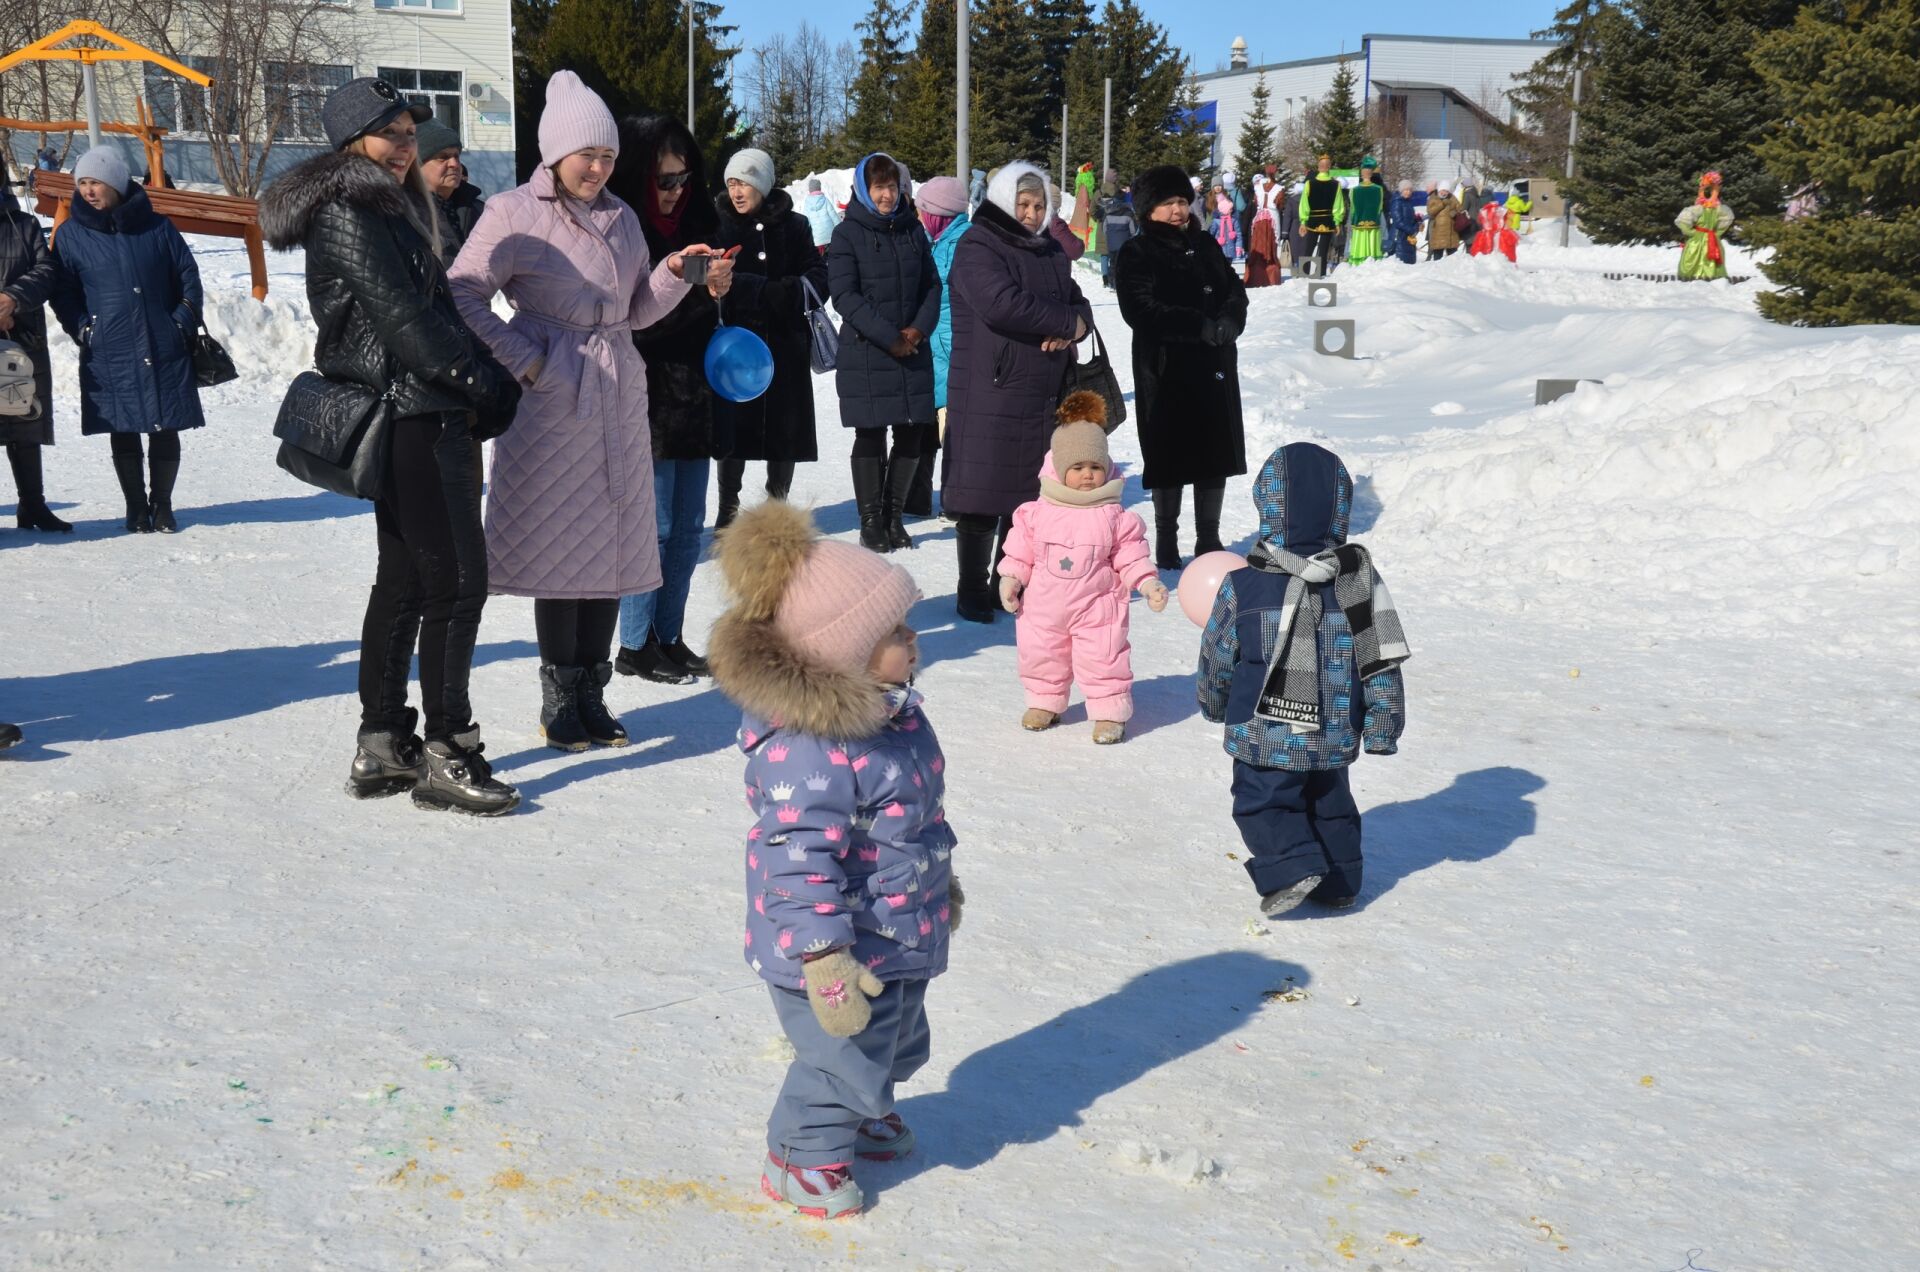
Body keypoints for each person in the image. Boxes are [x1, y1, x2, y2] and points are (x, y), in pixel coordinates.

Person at [260, 76, 522, 814]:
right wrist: (485, 382)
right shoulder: (348, 208)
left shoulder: (390, 205)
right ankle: (447, 751)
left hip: (424, 408)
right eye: (393, 135)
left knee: (407, 583)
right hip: (413, 412)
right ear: (353, 144)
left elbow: (429, 310)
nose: (407, 147)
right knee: (457, 585)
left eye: (411, 133)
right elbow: (404, 318)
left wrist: (480, 378)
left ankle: (383, 745)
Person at [707, 499, 959, 1222]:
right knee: (839, 1057)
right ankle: (802, 1156)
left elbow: (914, 818)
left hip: (896, 922)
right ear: (839, 650)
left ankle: (865, 1106)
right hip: (831, 947)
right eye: (895, 631)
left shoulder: (895, 714)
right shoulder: (808, 752)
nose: (914, 640)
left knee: (902, 1037)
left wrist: (940, 884)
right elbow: (795, 862)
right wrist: (822, 956)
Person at [451, 73, 719, 750]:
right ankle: (559, 702)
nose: (598, 167)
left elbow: (633, 311)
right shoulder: (514, 212)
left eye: (606, 156)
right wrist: (527, 359)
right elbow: (462, 293)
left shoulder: (622, 218)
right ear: (554, 154)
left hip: (618, 393)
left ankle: (593, 696)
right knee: (558, 553)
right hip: (552, 399)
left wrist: (673, 275)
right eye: (586, 155)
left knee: (609, 550)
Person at [1197, 442, 1408, 915]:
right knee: (1330, 802)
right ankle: (1340, 882)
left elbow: (1218, 655)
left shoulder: (1243, 583)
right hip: (1333, 731)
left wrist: (1213, 702)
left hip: (1263, 732)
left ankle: (1292, 867)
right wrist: (1381, 725)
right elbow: (1383, 661)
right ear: (1341, 508)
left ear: (1266, 505)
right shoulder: (1359, 581)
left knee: (1262, 801)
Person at [606, 112, 733, 684]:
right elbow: (633, 323)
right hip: (642, 395)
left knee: (688, 527)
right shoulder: (621, 227)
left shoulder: (700, 222)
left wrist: (720, 289)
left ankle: (668, 635)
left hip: (695, 395)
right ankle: (633, 643)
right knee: (649, 527)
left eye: (684, 178)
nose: (676, 190)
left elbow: (708, 317)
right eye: (665, 179)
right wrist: (687, 289)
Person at [940, 162, 1091, 624]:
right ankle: (971, 588)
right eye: (1023, 204)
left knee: (1024, 499)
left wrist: (1077, 324)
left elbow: (1075, 297)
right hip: (992, 388)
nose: (1030, 213)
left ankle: (1003, 583)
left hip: (1042, 389)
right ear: (1005, 201)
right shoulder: (978, 243)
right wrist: (1064, 323)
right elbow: (1001, 303)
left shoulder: (1048, 249)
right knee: (982, 495)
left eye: (1039, 205)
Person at [49, 145, 204, 535]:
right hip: (109, 346)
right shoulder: (70, 235)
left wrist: (181, 321)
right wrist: (83, 329)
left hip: (161, 340)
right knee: (123, 426)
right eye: (82, 182)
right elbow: (63, 292)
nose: (87, 190)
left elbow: (188, 276)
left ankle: (163, 506)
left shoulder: (158, 227)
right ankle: (136, 507)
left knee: (165, 424)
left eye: (95, 183)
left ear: (116, 185)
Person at [997, 394, 1168, 744]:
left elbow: (1130, 555)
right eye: (1077, 468)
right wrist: (1011, 579)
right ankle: (1045, 701)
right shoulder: (1037, 512)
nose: (1088, 475)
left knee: (1103, 655)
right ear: (1060, 470)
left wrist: (1147, 583)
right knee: (1042, 654)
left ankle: (1108, 710)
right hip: (1044, 606)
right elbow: (1021, 551)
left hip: (1097, 606)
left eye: (1095, 466)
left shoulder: (1115, 516)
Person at [1114, 164, 1248, 571]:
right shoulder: (1136, 252)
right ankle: (1167, 539)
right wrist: (1196, 325)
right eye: (1167, 203)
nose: (1177, 210)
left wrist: (1229, 320)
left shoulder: (1205, 243)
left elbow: (1234, 291)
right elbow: (1139, 308)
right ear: (1148, 208)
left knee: (1213, 453)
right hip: (1167, 368)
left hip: (1213, 364)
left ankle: (1209, 536)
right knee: (1169, 455)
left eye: (1182, 202)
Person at [828, 151, 938, 554]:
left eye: (892, 187)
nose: (887, 195)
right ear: (863, 189)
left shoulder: (913, 230)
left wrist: (917, 329)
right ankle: (871, 521)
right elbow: (844, 295)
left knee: (912, 433)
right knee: (871, 435)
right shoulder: (848, 234)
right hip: (869, 351)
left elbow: (932, 285)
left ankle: (894, 516)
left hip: (912, 348)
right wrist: (889, 336)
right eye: (879, 188)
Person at [710, 148, 826, 529]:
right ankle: (727, 511)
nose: (737, 191)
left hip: (784, 346)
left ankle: (777, 507)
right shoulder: (718, 225)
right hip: (735, 347)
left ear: (761, 183)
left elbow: (817, 278)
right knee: (733, 431)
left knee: (784, 430)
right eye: (731, 183)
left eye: (743, 182)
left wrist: (777, 292)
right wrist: (755, 289)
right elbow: (709, 280)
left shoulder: (794, 226)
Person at [0, 183, 67, 532]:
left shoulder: (23, 225)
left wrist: (13, 299)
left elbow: (47, 272)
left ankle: (33, 505)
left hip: (21, 338)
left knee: (23, 421)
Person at [916, 175, 972, 520]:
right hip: (928, 344)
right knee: (925, 426)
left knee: (955, 429)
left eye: (925, 210)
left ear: (940, 213)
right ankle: (916, 498)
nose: (920, 216)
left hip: (955, 347)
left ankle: (958, 500)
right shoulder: (927, 239)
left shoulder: (968, 242)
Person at [415, 119, 485, 260]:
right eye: (443, 158)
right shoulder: (405, 213)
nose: (455, 164)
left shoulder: (478, 210)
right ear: (418, 165)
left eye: (456, 156)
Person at [1677, 171, 1734, 282]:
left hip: (1711, 239)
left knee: (1710, 259)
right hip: (1700, 239)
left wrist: (1716, 234)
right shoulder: (1697, 209)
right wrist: (1692, 233)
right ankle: (1692, 279)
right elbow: (1683, 222)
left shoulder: (1719, 210)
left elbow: (1724, 224)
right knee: (1695, 258)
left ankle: (1712, 279)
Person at [1300, 154, 1345, 278]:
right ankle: (1320, 275)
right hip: (1328, 221)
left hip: (1313, 220)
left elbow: (1304, 204)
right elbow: (1338, 206)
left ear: (1318, 167)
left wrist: (1303, 221)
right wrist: (1337, 222)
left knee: (1308, 248)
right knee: (1323, 251)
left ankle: (1304, 274)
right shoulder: (1336, 184)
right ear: (1329, 167)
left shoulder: (1309, 183)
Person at [1245, 172, 1281, 288]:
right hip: (1267, 221)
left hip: (1263, 221)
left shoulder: (1272, 190)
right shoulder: (1263, 190)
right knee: (1264, 248)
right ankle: (1265, 273)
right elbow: (1279, 204)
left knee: (1264, 247)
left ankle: (1263, 272)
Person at [1096, 178, 1133, 291]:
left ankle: (1111, 283)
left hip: (1111, 242)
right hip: (1123, 243)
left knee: (1110, 262)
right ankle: (1122, 283)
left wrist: (1110, 235)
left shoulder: (1107, 212)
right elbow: (1132, 230)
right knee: (1122, 263)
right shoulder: (1128, 214)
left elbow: (1104, 228)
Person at [1346, 158, 1386, 263]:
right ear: (1371, 174)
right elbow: (1379, 208)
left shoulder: (1354, 190)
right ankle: (1372, 258)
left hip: (1359, 222)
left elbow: (1353, 208)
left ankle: (1358, 258)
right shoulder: (1379, 189)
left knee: (1359, 242)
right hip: (1373, 222)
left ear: (1362, 175)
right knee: (1373, 242)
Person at [800, 176, 840, 255]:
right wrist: (840, 227)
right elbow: (833, 215)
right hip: (830, 236)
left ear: (810, 190)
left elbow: (805, 220)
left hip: (817, 239)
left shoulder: (807, 203)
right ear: (819, 188)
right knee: (832, 256)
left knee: (820, 258)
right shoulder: (825, 200)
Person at [1425, 185, 1464, 261]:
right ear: (1439, 190)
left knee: (1452, 259)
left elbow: (1460, 209)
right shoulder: (1433, 198)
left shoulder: (1452, 198)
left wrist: (1454, 212)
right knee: (1437, 259)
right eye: (1442, 190)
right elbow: (1430, 212)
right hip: (1438, 233)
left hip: (1451, 233)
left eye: (1446, 191)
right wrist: (1442, 204)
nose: (1444, 193)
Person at [1389, 179, 1421, 264]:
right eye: (1406, 190)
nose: (1408, 192)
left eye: (1410, 190)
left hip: (1408, 237)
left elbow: (1411, 218)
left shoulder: (1409, 203)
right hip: (1400, 236)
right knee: (1401, 262)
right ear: (1401, 190)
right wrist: (1411, 230)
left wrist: (1417, 224)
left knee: (1409, 264)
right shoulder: (1397, 203)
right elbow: (1398, 221)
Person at [1211, 184, 1240, 260]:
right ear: (1224, 210)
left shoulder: (1234, 221)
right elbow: (1211, 234)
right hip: (1219, 250)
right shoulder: (1216, 221)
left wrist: (1238, 247)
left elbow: (1238, 235)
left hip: (1231, 250)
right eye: (1230, 209)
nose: (1232, 210)